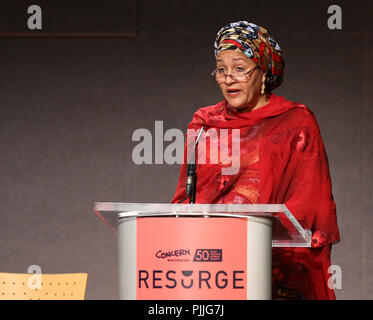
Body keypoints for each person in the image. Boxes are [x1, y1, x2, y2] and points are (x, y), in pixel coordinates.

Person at [171, 21, 340, 299]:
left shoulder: (296, 122)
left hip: (273, 269)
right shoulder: (203, 124)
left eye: (239, 68)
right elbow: (186, 197)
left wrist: (260, 255)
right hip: (210, 266)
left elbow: (310, 204)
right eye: (221, 69)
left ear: (263, 73)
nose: (228, 78)